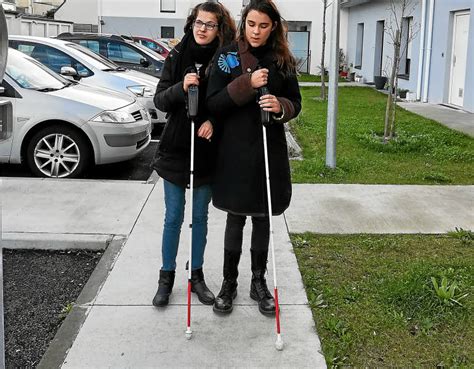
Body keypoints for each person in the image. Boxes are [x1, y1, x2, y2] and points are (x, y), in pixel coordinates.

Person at [206, 0, 302, 315]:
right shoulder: (227, 57)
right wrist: (248, 83)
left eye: (263, 25)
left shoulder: (282, 59)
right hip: (234, 150)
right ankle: (229, 282)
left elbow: (296, 102)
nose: (256, 31)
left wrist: (281, 107)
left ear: (273, 26)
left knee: (262, 217)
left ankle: (258, 281)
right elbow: (214, 103)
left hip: (267, 150)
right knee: (235, 216)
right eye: (251, 24)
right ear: (244, 22)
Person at [152, 2, 236, 307]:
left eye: (210, 24)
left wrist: (214, 121)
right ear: (191, 24)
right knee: (173, 216)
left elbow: (229, 101)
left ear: (219, 28)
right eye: (199, 23)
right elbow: (160, 100)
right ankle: (166, 277)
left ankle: (196, 276)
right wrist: (180, 87)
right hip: (175, 149)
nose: (202, 29)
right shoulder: (176, 55)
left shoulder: (225, 60)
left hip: (206, 153)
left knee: (199, 217)